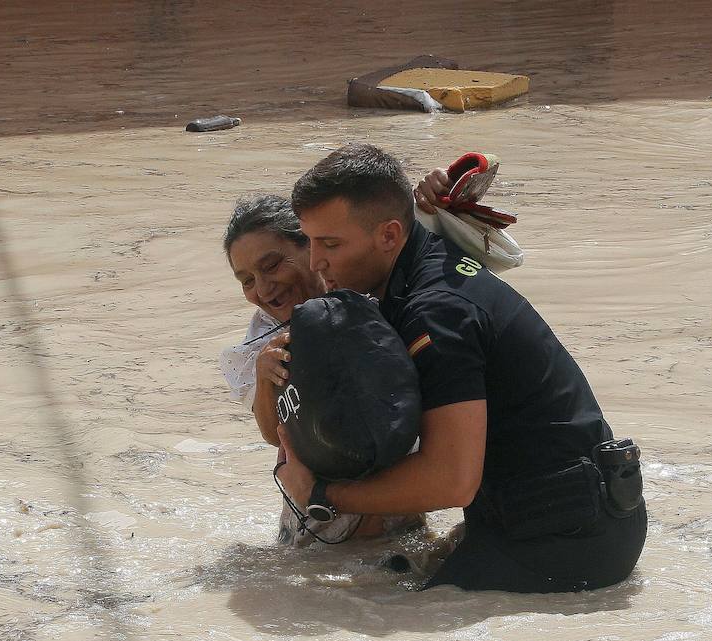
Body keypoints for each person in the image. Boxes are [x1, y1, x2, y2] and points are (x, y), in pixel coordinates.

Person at [276, 143, 647, 593]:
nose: (316, 262)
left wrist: (321, 496)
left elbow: (450, 482)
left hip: (567, 544)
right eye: (310, 241)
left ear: (390, 236)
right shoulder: (426, 263)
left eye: (331, 244)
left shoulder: (437, 311)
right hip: (569, 515)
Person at [220, 194, 422, 545]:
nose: (263, 289)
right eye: (247, 280)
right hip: (310, 521)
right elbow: (273, 435)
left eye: (271, 266)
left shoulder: (364, 301)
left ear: (311, 247)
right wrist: (263, 376)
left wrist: (432, 198)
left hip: (391, 510)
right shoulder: (263, 335)